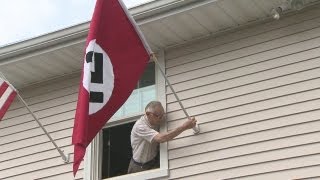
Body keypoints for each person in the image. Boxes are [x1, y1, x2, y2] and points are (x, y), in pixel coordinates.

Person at [127, 101, 197, 174]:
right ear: (148, 114)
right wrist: (184, 127)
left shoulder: (156, 121)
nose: (161, 119)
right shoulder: (140, 126)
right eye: (159, 116)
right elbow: (161, 138)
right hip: (138, 167)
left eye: (162, 115)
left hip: (153, 162)